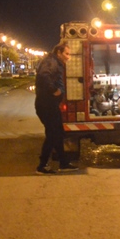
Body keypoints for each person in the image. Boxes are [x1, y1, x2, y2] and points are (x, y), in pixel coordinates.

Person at [35, 42, 78, 174]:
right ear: (59, 52)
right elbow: (44, 75)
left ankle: (63, 163)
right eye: (66, 53)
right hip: (46, 104)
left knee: (58, 133)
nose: (68, 57)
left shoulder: (54, 62)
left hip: (51, 104)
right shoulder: (51, 62)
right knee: (53, 134)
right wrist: (54, 90)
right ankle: (42, 166)